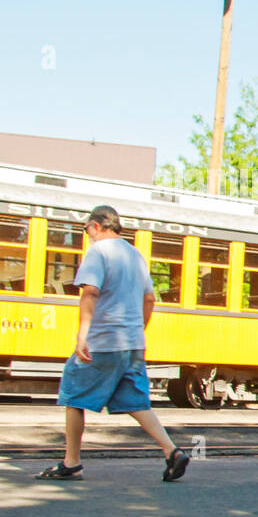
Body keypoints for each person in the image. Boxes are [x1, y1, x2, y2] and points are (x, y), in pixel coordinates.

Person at [36, 205, 190, 482]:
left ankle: (71, 462)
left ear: (96, 225)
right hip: (132, 344)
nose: (87, 235)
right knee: (136, 402)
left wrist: (82, 336)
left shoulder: (98, 251)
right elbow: (150, 299)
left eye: (85, 229)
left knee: (73, 395)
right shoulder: (134, 255)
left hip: (103, 341)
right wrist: (137, 331)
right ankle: (172, 451)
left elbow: (90, 292)